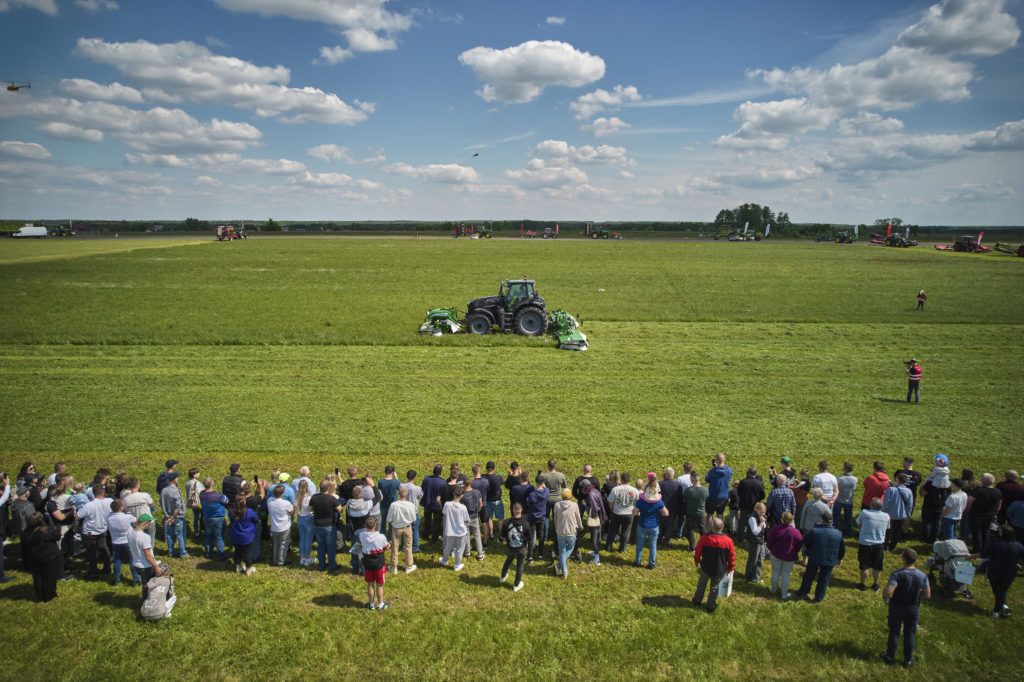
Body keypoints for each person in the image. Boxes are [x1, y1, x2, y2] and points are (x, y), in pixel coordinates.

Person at [881, 548, 930, 668]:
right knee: (909, 634)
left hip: (897, 607)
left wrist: (886, 597)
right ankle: (908, 661)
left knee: (894, 631)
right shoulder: (922, 576)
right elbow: (927, 595)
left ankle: (889, 656)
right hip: (913, 608)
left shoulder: (897, 574)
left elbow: (888, 592)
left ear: (903, 558)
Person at [793, 511, 845, 603]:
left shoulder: (815, 531)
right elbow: (842, 549)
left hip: (814, 557)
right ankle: (818, 598)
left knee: (809, 576)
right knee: (823, 579)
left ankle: (803, 591)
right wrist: (839, 558)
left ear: (822, 520)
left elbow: (806, 542)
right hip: (829, 560)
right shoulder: (838, 533)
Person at [692, 516, 735, 613]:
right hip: (719, 569)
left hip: (705, 567)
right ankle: (710, 606)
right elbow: (732, 556)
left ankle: (697, 600)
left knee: (701, 584)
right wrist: (731, 567)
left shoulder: (705, 538)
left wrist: (696, 560)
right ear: (722, 527)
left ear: (711, 527)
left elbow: (697, 552)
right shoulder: (728, 541)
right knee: (714, 588)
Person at [980, 524, 1024, 619]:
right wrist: (1019, 564)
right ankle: (1003, 607)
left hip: (995, 571)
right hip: (1010, 573)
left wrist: (972, 556)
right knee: (1002, 590)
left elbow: (984, 555)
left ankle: (997, 611)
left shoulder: (994, 543)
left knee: (998, 591)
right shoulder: (1019, 546)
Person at [21, 512, 61, 602]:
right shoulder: (46, 530)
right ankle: (49, 596)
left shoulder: (25, 533)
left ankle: (39, 596)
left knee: (37, 577)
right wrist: (57, 529)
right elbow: (57, 536)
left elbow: (24, 548)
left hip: (34, 557)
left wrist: (25, 563)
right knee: (50, 577)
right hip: (49, 557)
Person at [633, 474, 669, 569]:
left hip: (642, 525)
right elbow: (666, 513)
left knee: (640, 544)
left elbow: (634, 513)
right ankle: (651, 564)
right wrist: (658, 512)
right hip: (654, 526)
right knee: (653, 546)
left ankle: (637, 562)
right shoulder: (659, 502)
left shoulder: (641, 501)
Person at [78, 484, 113, 579]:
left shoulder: (89, 505)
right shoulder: (110, 501)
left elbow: (78, 516)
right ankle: (107, 568)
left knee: (91, 553)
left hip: (90, 532)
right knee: (104, 549)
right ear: (103, 492)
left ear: (93, 493)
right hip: (103, 530)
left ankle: (93, 572)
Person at [766, 511, 802, 600]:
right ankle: (784, 594)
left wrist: (772, 549)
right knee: (786, 574)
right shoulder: (796, 532)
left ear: (782, 520)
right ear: (791, 520)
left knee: (775, 572)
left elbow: (769, 541)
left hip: (776, 555)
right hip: (789, 557)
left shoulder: (775, 529)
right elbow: (799, 544)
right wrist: (795, 552)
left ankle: (773, 589)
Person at [856, 498, 890, 591]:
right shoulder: (886, 516)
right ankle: (875, 584)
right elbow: (887, 528)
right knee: (877, 566)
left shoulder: (864, 513)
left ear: (871, 505)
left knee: (864, 565)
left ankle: (862, 584)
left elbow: (858, 524)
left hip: (865, 543)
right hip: (879, 544)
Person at [357, 515, 391, 610]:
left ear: (365, 525)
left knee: (370, 584)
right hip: (379, 564)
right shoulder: (381, 537)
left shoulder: (362, 535)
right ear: (375, 525)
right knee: (380, 585)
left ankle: (371, 604)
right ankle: (380, 604)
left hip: (368, 563)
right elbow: (387, 546)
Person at [128, 513, 163, 600]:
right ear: (145, 523)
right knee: (150, 585)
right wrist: (156, 567)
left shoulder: (130, 533)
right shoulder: (145, 537)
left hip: (136, 564)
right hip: (146, 566)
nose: (149, 525)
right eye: (149, 523)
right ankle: (149, 603)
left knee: (145, 584)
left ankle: (144, 599)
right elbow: (148, 555)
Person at [310, 481, 342, 572]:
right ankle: (332, 566)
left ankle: (321, 565)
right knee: (330, 547)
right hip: (329, 526)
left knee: (321, 546)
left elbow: (311, 508)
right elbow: (340, 510)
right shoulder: (331, 499)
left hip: (317, 525)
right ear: (328, 488)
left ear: (319, 487)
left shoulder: (314, 497)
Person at [499, 502, 532, 592]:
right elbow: (530, 538)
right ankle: (516, 585)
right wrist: (529, 551)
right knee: (519, 566)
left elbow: (502, 536)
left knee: (508, 561)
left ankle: (502, 577)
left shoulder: (506, 522)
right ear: (521, 510)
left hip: (510, 547)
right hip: (522, 548)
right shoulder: (526, 524)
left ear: (513, 510)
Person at [108, 499, 140, 586]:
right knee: (132, 560)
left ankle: (116, 580)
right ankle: (136, 580)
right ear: (121, 508)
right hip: (127, 541)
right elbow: (136, 520)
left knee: (117, 561)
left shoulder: (109, 518)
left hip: (115, 542)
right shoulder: (127, 517)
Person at [386, 485, 418, 574]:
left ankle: (393, 567)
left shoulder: (394, 505)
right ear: (406, 494)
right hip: (407, 528)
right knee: (408, 547)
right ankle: (409, 566)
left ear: (398, 494)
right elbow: (414, 518)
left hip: (396, 528)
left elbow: (389, 519)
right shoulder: (411, 505)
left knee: (394, 548)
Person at [969, 473, 1002, 554]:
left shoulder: (978, 490)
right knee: (986, 531)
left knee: (977, 532)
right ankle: (985, 549)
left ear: (984, 482)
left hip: (977, 515)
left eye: (981, 479)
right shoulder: (998, 491)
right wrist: (995, 513)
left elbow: (969, 501)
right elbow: (999, 505)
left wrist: (968, 509)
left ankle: (977, 550)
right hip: (989, 515)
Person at [552, 489, 582, 578]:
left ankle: (564, 572)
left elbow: (555, 519)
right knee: (571, 547)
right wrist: (580, 526)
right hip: (572, 531)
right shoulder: (575, 505)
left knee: (562, 552)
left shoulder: (557, 505)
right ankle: (559, 565)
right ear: (570, 497)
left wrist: (556, 527)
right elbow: (578, 518)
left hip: (560, 532)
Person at [606, 472, 638, 552]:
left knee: (612, 530)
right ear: (630, 480)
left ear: (621, 479)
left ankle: (609, 547)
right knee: (626, 532)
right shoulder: (635, 491)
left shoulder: (616, 489)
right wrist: (634, 512)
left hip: (617, 513)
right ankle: (622, 548)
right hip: (629, 514)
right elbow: (637, 504)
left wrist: (612, 510)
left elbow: (610, 501)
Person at [439, 486, 469, 571]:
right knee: (459, 549)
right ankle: (457, 565)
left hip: (450, 530)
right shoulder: (463, 507)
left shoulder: (447, 504)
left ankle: (444, 560)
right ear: (462, 496)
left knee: (448, 546)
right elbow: (466, 519)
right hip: (461, 532)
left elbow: (444, 513)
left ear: (453, 494)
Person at [159, 472, 188, 559]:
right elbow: (178, 506)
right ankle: (183, 553)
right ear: (174, 480)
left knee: (169, 534)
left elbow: (161, 502)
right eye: (177, 478)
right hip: (177, 516)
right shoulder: (175, 491)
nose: (178, 479)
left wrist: (169, 516)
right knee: (180, 534)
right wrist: (173, 517)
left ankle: (170, 552)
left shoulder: (163, 490)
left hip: (167, 516)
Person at [199, 478, 229, 561]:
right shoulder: (219, 496)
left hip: (207, 517)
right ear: (212, 485)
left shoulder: (201, 494)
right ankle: (221, 555)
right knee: (219, 537)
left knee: (208, 535)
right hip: (218, 518)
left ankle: (208, 554)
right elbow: (226, 500)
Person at [882, 474, 913, 552]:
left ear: (897, 479)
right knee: (896, 532)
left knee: (887, 531)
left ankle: (885, 546)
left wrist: (882, 511)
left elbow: (886, 503)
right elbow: (910, 505)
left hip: (889, 515)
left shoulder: (891, 489)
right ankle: (892, 547)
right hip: (901, 515)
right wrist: (907, 514)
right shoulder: (909, 491)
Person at [228, 494, 258, 575]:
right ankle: (248, 569)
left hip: (235, 536)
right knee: (248, 553)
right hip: (247, 537)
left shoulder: (231, 511)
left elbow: (231, 519)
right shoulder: (250, 512)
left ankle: (238, 567)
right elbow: (256, 519)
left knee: (237, 551)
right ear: (244, 502)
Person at [267, 484, 294, 567]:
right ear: (282, 494)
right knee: (283, 545)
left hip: (274, 527)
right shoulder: (286, 503)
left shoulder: (270, 501)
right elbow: (292, 512)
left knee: (275, 544)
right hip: (284, 527)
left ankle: (275, 560)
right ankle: (281, 561)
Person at [581, 479, 606, 565]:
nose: (582, 489)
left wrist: (586, 505)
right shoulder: (595, 490)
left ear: (586, 487)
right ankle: (595, 552)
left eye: (582, 487)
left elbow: (595, 508)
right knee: (598, 536)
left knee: (594, 538)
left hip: (595, 518)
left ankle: (597, 559)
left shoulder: (590, 495)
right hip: (601, 517)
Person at [682, 471, 709, 551]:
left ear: (692, 479)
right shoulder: (705, 490)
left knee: (690, 529)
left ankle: (692, 547)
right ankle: (704, 546)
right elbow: (707, 500)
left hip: (690, 513)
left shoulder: (688, 490)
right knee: (702, 530)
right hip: (701, 513)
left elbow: (684, 500)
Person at [420, 465, 446, 543]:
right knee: (437, 521)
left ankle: (426, 534)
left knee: (427, 519)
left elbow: (422, 489)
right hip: (437, 505)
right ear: (441, 472)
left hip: (427, 503)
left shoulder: (426, 479)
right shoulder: (442, 482)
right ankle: (434, 537)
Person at [461, 479, 484, 561]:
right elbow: (481, 504)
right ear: (471, 484)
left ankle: (467, 552)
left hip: (465, 518)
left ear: (464, 484)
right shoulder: (477, 492)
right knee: (477, 535)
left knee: (466, 535)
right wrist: (477, 511)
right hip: (475, 516)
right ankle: (480, 554)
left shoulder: (462, 495)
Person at [736, 467, 765, 534]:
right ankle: (752, 534)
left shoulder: (743, 482)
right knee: (754, 520)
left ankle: (741, 536)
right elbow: (762, 495)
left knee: (742, 521)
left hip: (744, 505)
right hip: (755, 506)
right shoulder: (759, 483)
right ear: (756, 473)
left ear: (748, 472)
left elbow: (739, 493)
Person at [525, 475, 547, 561]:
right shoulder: (546, 492)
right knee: (541, 535)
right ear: (543, 483)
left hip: (533, 517)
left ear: (536, 483)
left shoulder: (532, 494)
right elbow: (546, 489)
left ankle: (530, 555)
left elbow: (528, 503)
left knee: (531, 536)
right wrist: (544, 487)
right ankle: (541, 554)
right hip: (541, 517)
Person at [294, 476, 315, 567]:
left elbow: (295, 507)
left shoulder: (297, 496)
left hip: (300, 518)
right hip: (309, 518)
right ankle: (307, 558)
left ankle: (302, 558)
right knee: (308, 539)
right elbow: (311, 509)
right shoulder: (309, 498)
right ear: (307, 487)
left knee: (302, 538)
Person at [744, 502, 768, 582]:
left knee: (761, 558)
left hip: (760, 540)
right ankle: (748, 575)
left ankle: (756, 577)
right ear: (756, 510)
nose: (763, 513)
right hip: (753, 541)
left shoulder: (762, 517)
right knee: (753, 559)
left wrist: (763, 522)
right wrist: (761, 523)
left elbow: (764, 528)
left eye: (764, 512)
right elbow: (755, 532)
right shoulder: (752, 518)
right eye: (761, 512)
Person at [400, 470, 423, 553]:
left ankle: (403, 546)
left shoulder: (402, 486)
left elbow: (399, 483)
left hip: (404, 511)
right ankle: (415, 547)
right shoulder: (417, 488)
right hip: (414, 511)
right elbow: (421, 496)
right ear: (415, 477)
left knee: (404, 528)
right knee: (415, 530)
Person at [482, 462, 505, 547]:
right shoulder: (498, 477)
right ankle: (502, 536)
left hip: (487, 500)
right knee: (500, 519)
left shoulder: (483, 477)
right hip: (497, 501)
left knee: (489, 518)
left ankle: (491, 534)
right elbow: (503, 483)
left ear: (486, 468)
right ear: (494, 468)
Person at [658, 468, 681, 547]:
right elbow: (680, 498)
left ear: (666, 474)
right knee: (670, 526)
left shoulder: (660, 483)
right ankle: (665, 542)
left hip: (661, 508)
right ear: (673, 474)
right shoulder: (678, 485)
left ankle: (658, 540)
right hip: (673, 509)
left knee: (660, 525)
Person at [705, 453, 732, 517]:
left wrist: (714, 467)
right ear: (724, 460)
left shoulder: (713, 471)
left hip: (713, 496)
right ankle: (719, 527)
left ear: (716, 460)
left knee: (709, 515)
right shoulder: (729, 470)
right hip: (724, 497)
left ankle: (708, 527)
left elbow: (707, 479)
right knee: (720, 515)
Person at [835, 463, 857, 537]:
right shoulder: (855, 479)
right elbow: (854, 489)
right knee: (848, 518)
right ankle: (847, 531)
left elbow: (836, 488)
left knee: (836, 516)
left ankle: (835, 529)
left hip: (839, 500)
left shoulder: (840, 479)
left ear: (845, 469)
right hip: (849, 501)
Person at [378, 465, 400, 535]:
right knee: (392, 522)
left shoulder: (381, 482)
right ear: (392, 472)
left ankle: (382, 536)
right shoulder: (396, 482)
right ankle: (390, 537)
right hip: (392, 505)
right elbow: (402, 489)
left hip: (383, 505)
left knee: (383, 522)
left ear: (385, 472)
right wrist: (396, 477)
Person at [185, 467, 203, 539]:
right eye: (197, 472)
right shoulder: (197, 483)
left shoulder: (187, 483)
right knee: (202, 517)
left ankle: (196, 532)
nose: (199, 474)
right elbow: (201, 492)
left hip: (192, 503)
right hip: (199, 503)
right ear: (194, 474)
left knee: (195, 517)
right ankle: (202, 530)